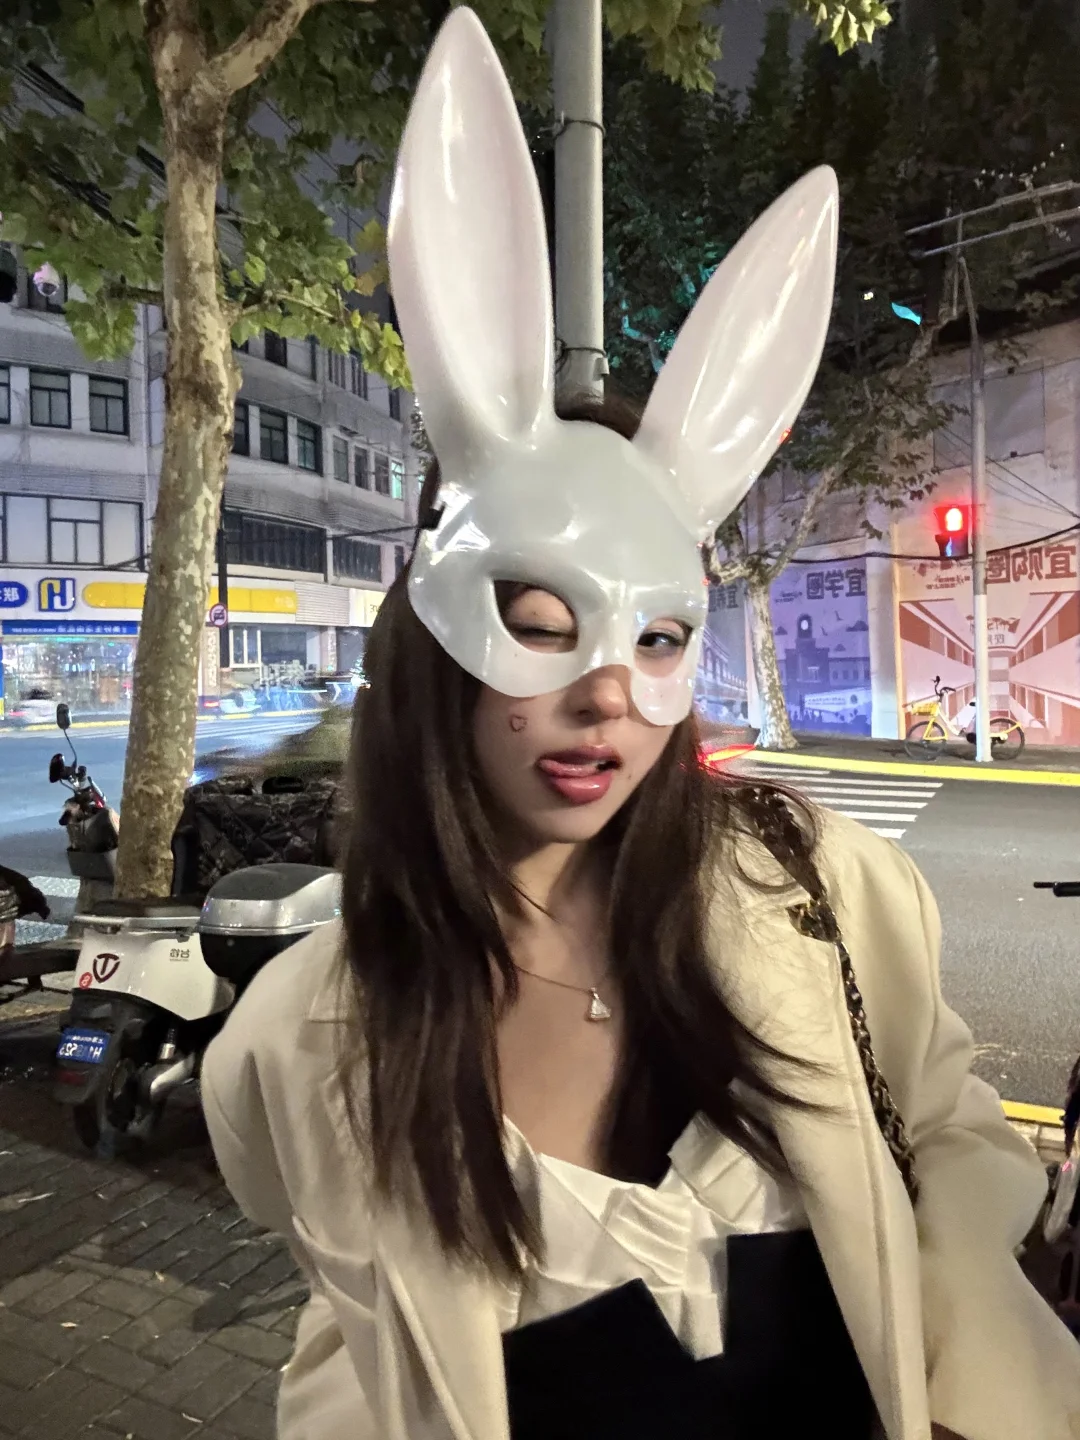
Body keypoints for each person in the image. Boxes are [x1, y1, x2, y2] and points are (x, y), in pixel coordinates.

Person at [201, 11, 1080, 1440]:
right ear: (432, 641)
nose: (609, 692)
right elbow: (351, 1321)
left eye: (659, 639)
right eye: (541, 624)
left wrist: (978, 1373)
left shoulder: (824, 894)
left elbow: (949, 1131)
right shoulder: (301, 1038)